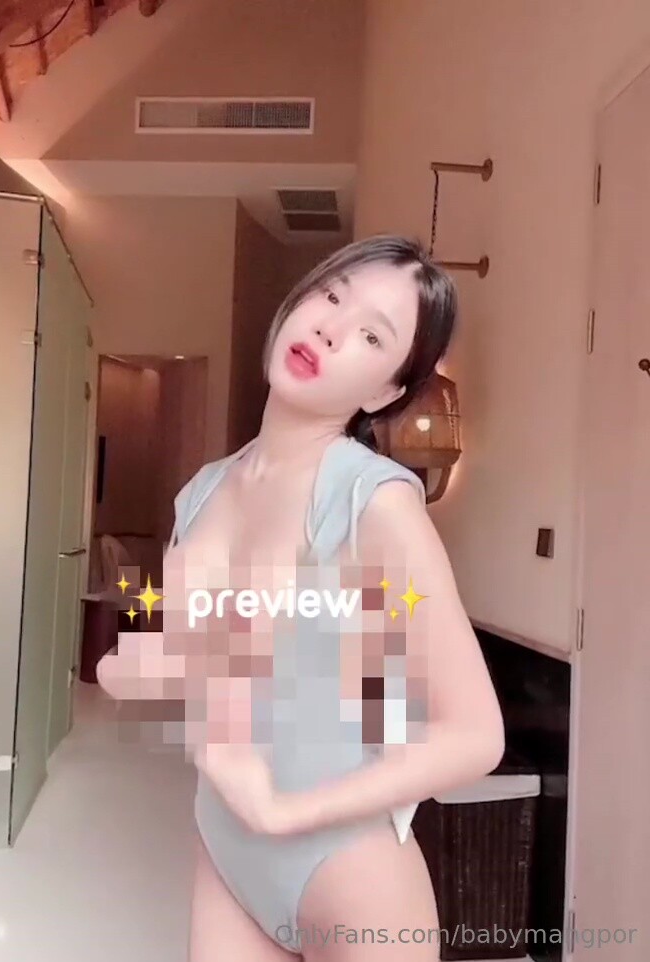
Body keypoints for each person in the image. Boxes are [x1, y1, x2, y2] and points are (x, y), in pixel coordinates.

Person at [97, 235, 505, 960]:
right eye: (332, 295)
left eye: (372, 335)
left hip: (346, 866)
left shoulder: (372, 502)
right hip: (225, 845)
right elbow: (212, 669)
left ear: (383, 392)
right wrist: (142, 669)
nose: (330, 329)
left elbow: (476, 735)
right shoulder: (201, 493)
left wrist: (284, 812)